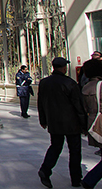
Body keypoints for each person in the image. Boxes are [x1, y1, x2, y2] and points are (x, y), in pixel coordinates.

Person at [37, 57, 87, 189]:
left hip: (54, 122)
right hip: (72, 122)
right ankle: (76, 178)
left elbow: (40, 103)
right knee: (75, 151)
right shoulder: (70, 83)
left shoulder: (44, 83)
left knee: (55, 147)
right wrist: (84, 124)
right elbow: (78, 105)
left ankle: (45, 170)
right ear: (64, 68)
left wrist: (43, 120)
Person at [83, 60, 102, 188]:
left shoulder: (86, 87)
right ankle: (89, 180)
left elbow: (83, 109)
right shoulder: (100, 85)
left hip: (93, 124)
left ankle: (90, 180)